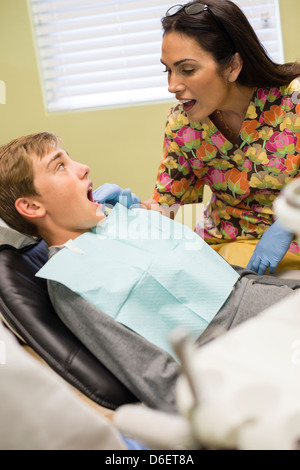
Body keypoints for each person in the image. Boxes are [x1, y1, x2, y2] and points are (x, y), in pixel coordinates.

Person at [0, 132, 300, 413]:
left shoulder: (119, 220)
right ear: (31, 206)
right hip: (256, 353)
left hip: (278, 306)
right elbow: (162, 383)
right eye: (60, 166)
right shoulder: (74, 282)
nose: (83, 168)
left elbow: (224, 278)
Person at [93, 0, 300, 276]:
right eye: (168, 70)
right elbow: (170, 209)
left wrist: (288, 222)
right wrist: (133, 209)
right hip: (226, 250)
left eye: (187, 69)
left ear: (233, 66)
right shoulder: (183, 125)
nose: (172, 86)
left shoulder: (293, 101)